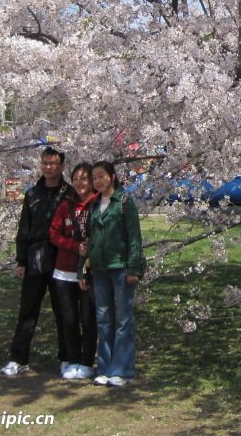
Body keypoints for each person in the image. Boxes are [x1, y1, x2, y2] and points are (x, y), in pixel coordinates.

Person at [0, 147, 74, 377]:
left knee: (63, 311)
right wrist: (21, 260)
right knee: (28, 310)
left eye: (53, 163)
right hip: (35, 259)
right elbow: (24, 229)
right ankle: (18, 358)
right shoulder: (32, 194)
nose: (48, 167)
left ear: (62, 166)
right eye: (45, 163)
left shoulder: (69, 193)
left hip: (60, 259)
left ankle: (67, 357)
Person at [80, 161, 143, 387]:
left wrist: (133, 268)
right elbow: (88, 241)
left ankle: (123, 370)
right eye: (94, 177)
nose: (97, 181)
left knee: (123, 319)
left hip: (120, 267)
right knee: (104, 318)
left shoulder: (125, 202)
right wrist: (82, 271)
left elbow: (134, 237)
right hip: (99, 269)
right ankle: (104, 368)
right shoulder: (94, 205)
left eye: (101, 176)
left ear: (113, 177)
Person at [49, 162, 98, 380]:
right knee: (68, 319)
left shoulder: (97, 205)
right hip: (64, 271)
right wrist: (74, 247)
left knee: (88, 319)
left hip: (89, 272)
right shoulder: (65, 206)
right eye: (76, 178)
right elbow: (54, 233)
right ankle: (71, 358)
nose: (80, 183)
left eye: (84, 178)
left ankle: (87, 361)